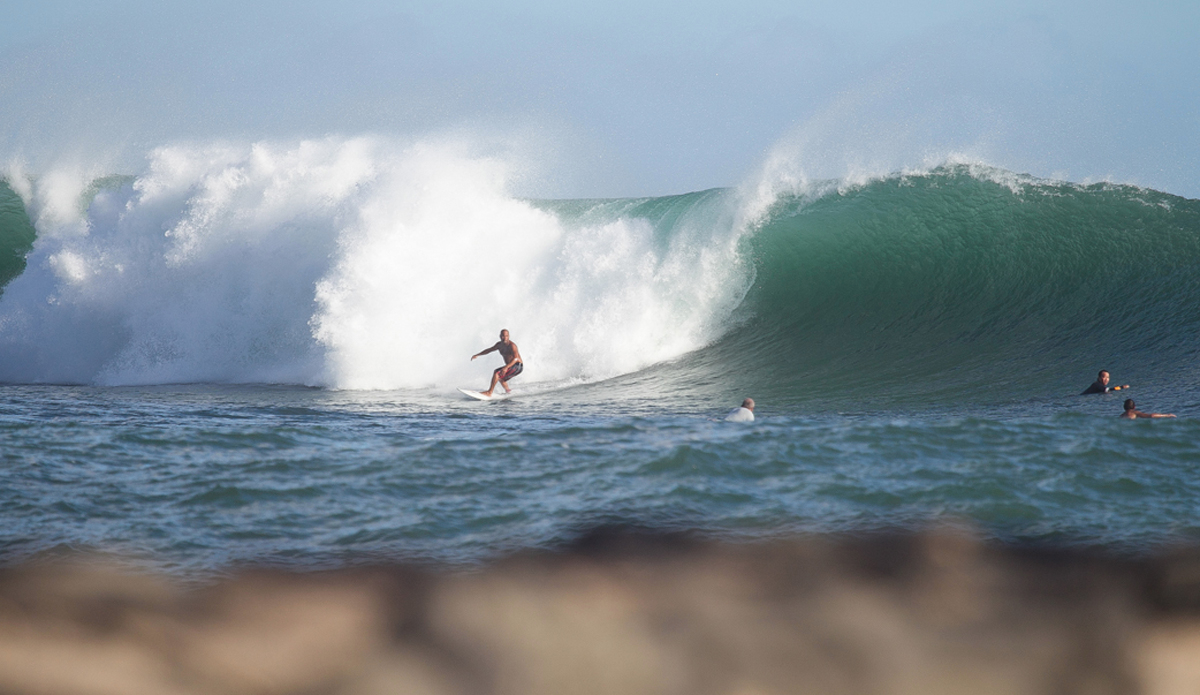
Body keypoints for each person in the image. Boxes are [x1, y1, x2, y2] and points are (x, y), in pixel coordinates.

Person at [470, 329, 523, 397]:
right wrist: (478, 354)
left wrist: (506, 367)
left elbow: (516, 358)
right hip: (510, 366)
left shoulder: (512, 346)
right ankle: (508, 391)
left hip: (517, 366)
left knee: (497, 372)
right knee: (500, 377)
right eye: (503, 336)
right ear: (500, 336)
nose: (505, 338)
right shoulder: (499, 345)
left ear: (509, 336)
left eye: (506, 336)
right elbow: (489, 350)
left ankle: (489, 392)